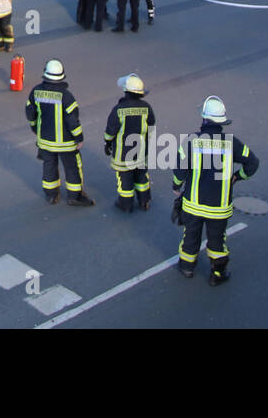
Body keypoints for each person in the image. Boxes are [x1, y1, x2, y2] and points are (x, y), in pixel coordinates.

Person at [172, 96, 259, 285]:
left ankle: (187, 268)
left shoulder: (192, 141)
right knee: (217, 242)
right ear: (222, 122)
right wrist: (238, 176)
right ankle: (217, 274)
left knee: (190, 238)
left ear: (203, 119)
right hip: (219, 209)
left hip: (193, 205)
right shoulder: (232, 143)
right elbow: (253, 162)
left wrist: (176, 186)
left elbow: (179, 170)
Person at [26, 59, 95, 206]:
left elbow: (30, 113)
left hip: (45, 141)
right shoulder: (66, 96)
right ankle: (74, 197)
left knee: (49, 166)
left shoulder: (36, 91)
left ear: (45, 74)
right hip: (66, 144)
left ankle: (51, 195)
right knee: (72, 168)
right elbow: (72, 120)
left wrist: (34, 127)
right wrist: (79, 137)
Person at [104, 73, 155, 212]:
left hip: (123, 155)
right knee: (141, 176)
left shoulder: (119, 110)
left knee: (125, 180)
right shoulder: (146, 107)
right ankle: (145, 201)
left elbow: (110, 131)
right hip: (140, 151)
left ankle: (126, 205)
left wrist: (107, 143)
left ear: (126, 91)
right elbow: (151, 126)